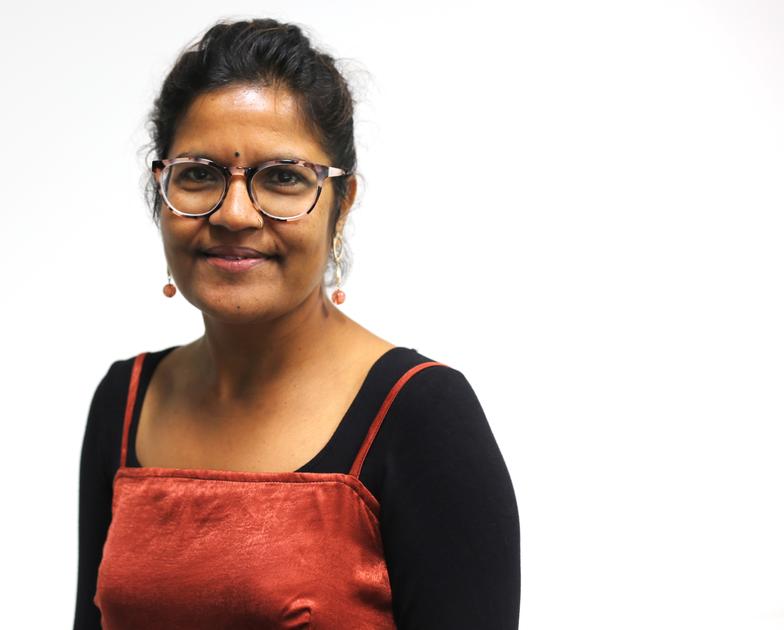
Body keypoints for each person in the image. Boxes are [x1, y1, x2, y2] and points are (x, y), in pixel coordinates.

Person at [75, 18, 519, 629]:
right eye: (199, 173)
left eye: (283, 178)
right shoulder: (125, 401)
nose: (234, 213)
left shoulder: (421, 414)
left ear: (342, 204)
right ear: (161, 190)